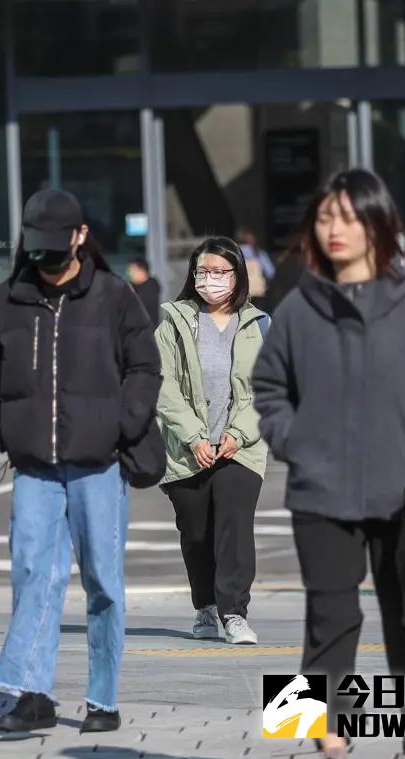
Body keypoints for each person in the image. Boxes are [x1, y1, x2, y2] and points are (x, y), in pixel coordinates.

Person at [253, 169, 405, 759]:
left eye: (349, 218)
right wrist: (294, 442)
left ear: (378, 224)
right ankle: (322, 736)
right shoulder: (299, 306)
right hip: (318, 491)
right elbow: (269, 387)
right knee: (326, 614)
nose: (335, 229)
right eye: (326, 217)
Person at [0, 189, 161, 734]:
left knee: (102, 580)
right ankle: (33, 694)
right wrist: (2, 429)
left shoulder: (114, 296)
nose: (47, 258)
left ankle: (103, 699)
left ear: (80, 236)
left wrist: (122, 425)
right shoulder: (8, 300)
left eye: (57, 245)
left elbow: (145, 366)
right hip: (34, 465)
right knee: (33, 574)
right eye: (38, 246)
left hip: (98, 465)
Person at [154, 236, 268, 646]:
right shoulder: (174, 321)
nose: (210, 279)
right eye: (203, 271)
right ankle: (205, 606)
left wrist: (239, 434)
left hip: (242, 448)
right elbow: (164, 385)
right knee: (197, 534)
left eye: (220, 271)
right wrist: (194, 437)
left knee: (234, 530)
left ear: (237, 275)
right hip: (188, 450)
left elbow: (268, 389)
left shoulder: (259, 324)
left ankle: (234, 612)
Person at [236, 227, 275, 306]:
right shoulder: (259, 253)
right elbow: (270, 272)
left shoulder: (234, 253)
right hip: (257, 292)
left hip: (242, 293)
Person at [126, 258, 161, 327]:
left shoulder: (151, 287)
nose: (130, 274)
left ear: (142, 271)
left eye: (132, 270)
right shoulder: (133, 286)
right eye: (129, 271)